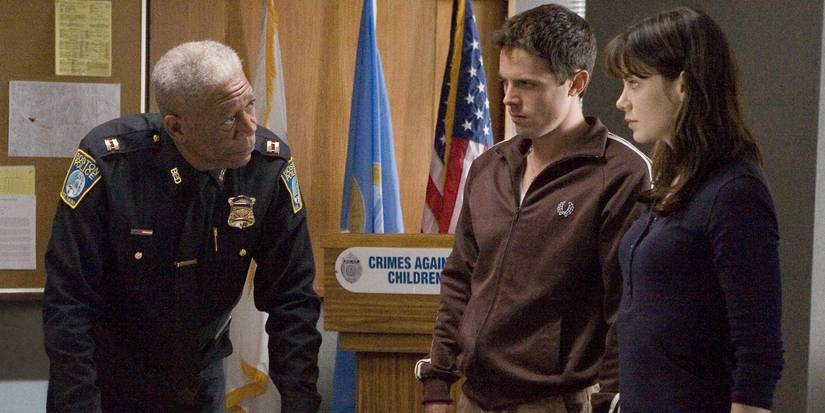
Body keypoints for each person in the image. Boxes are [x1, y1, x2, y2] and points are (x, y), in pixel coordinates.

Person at [42, 40, 321, 412]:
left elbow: (292, 297)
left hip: (201, 371)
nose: (250, 128)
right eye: (229, 118)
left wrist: (301, 403)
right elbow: (69, 301)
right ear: (177, 127)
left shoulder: (267, 168)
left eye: (250, 106)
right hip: (108, 375)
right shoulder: (111, 164)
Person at [415, 5, 650, 413]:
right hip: (474, 396)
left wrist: (610, 402)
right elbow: (460, 280)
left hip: (558, 400)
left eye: (526, 84)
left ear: (576, 83)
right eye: (505, 82)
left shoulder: (621, 173)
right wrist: (438, 383)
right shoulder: (489, 167)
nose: (509, 98)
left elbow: (626, 308)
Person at [605, 7, 784, 413]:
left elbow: (758, 354)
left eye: (634, 82)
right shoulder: (675, 180)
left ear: (683, 85)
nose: (621, 100)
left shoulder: (735, 192)